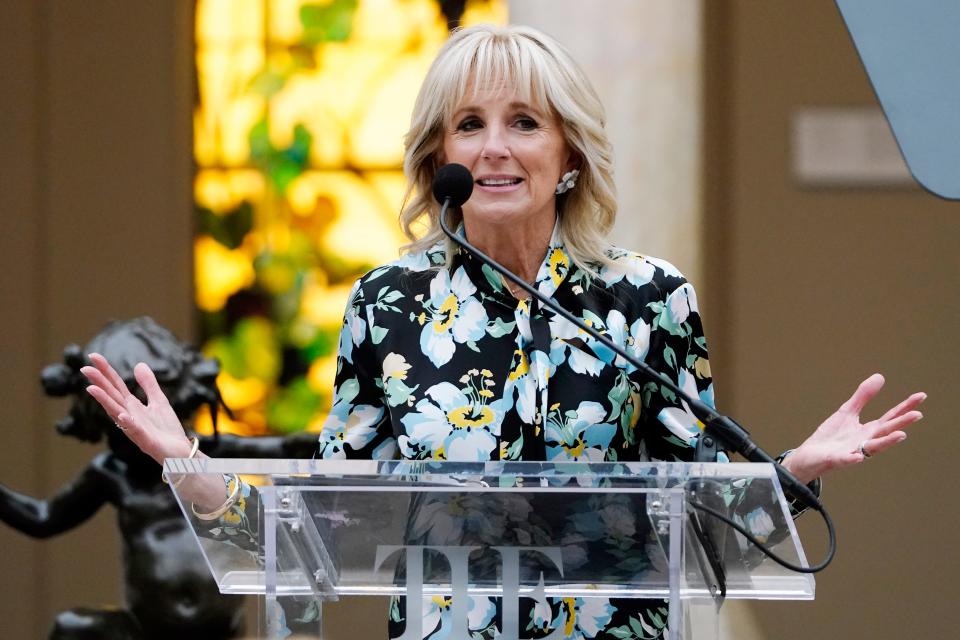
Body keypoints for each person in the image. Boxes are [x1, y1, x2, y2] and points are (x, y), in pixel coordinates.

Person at [82, 24, 925, 640]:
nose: (494, 148)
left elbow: (699, 525)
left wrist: (792, 473)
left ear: (569, 157)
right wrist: (187, 468)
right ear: (438, 157)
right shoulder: (388, 305)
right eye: (469, 124)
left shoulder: (650, 299)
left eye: (524, 122)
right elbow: (320, 533)